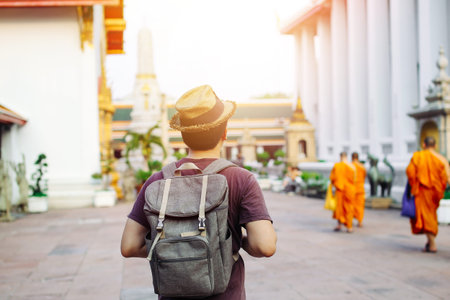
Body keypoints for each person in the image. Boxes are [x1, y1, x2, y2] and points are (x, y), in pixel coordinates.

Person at [120, 85, 277, 299]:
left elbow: (129, 246)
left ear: (183, 135)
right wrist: (230, 243)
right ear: (225, 132)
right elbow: (265, 245)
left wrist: (175, 249)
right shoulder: (241, 179)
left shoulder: (158, 180)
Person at [406, 136, 448, 253]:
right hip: (436, 192)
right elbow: (447, 176)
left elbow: (410, 172)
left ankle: (432, 244)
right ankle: (429, 242)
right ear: (435, 145)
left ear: (424, 145)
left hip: (423, 191)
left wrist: (413, 185)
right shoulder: (442, 159)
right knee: (430, 215)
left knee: (426, 216)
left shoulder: (418, 157)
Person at [329, 152, 356, 233]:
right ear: (346, 157)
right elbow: (355, 179)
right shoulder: (352, 166)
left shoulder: (337, 166)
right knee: (348, 208)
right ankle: (349, 227)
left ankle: (340, 225)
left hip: (340, 189)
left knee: (339, 208)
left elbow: (332, 178)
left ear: (340, 157)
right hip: (349, 190)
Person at [351, 152, 366, 227]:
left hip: (352, 188)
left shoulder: (350, 166)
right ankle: (360, 221)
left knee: (351, 205)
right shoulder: (362, 166)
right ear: (358, 158)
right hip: (360, 188)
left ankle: (350, 220)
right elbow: (364, 176)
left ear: (352, 158)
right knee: (360, 205)